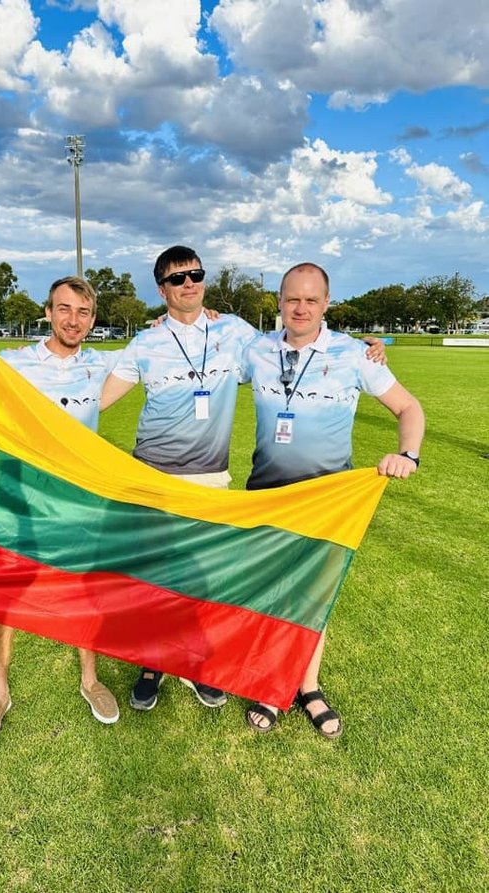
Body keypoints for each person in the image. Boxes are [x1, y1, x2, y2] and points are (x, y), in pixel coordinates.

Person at [99, 246, 386, 713]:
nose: (188, 284)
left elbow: (300, 337)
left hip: (212, 479)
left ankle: (195, 664)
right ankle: (152, 664)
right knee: (155, 579)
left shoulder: (235, 332)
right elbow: (100, 400)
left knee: (205, 579)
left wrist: (364, 345)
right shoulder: (144, 342)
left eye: (195, 275)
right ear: (161, 290)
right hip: (153, 478)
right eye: (177, 279)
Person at [0, 277, 121, 743]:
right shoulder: (13, 363)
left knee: (85, 589)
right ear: (48, 313)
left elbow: (159, 353)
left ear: (93, 319)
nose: (73, 320)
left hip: (78, 500)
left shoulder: (102, 365)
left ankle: (90, 680)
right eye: (64, 309)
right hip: (17, 502)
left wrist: (195, 317)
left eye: (83, 312)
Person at [243, 262, 425, 738]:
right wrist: (167, 319)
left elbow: (409, 408)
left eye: (310, 300)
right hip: (266, 495)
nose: (300, 308)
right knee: (272, 593)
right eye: (291, 299)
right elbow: (205, 351)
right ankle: (272, 682)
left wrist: (408, 453)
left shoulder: (354, 355)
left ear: (326, 303)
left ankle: (308, 685)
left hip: (329, 498)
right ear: (279, 302)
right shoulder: (256, 349)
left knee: (314, 597)